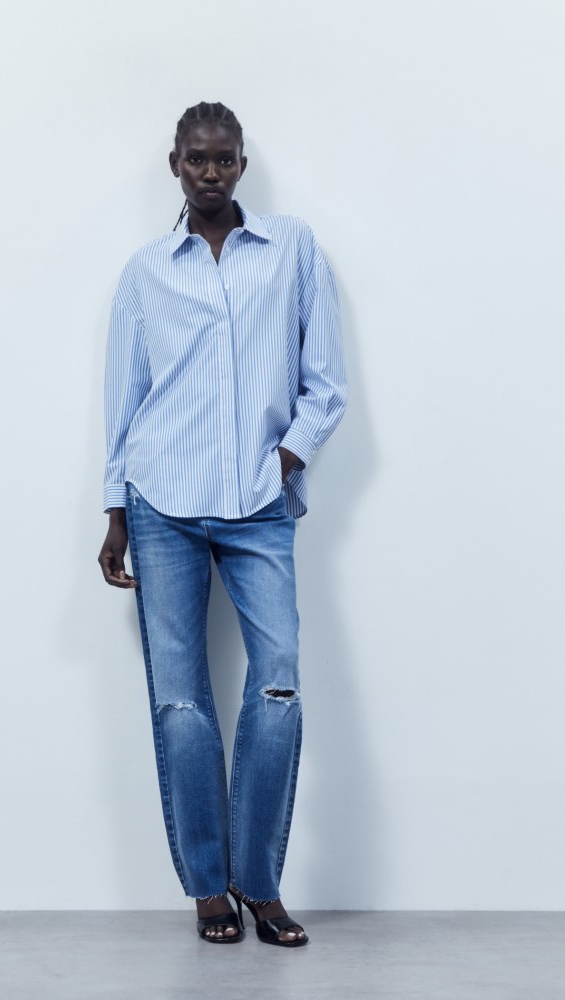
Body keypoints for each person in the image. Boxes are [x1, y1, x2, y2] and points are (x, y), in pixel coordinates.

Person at [98, 101, 346, 946]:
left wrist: (283, 462)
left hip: (259, 505)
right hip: (160, 502)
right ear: (175, 164)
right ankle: (209, 886)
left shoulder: (291, 249)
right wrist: (115, 511)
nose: (211, 171)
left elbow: (326, 383)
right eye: (197, 158)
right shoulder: (144, 272)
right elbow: (125, 401)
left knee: (277, 685)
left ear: (242, 164)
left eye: (225, 158)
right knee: (180, 703)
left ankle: (258, 882)